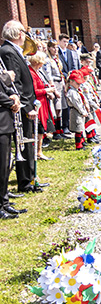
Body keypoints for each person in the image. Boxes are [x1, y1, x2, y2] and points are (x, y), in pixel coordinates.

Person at [0, 21, 41, 194]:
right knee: (22, 145)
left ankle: (30, 178)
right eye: (24, 32)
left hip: (24, 103)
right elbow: (14, 83)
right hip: (19, 106)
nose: (26, 36)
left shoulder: (13, 50)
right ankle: (24, 181)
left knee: (27, 143)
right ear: (18, 34)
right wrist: (25, 106)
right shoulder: (8, 51)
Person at [0, 67, 21, 219]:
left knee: (5, 165)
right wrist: (10, 102)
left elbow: (4, 86)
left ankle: (4, 201)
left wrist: (13, 96)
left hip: (5, 123)